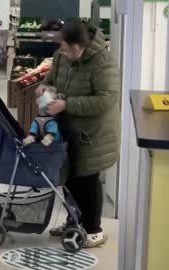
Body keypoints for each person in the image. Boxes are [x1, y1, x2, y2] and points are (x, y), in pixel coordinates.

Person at [36, 22, 121, 248]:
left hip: (94, 133)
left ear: (83, 45)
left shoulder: (103, 62)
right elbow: (50, 80)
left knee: (87, 179)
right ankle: (74, 222)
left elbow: (107, 99)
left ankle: (93, 229)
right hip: (68, 129)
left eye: (71, 50)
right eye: (63, 49)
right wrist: (44, 88)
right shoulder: (61, 56)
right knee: (68, 178)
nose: (67, 54)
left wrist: (67, 105)